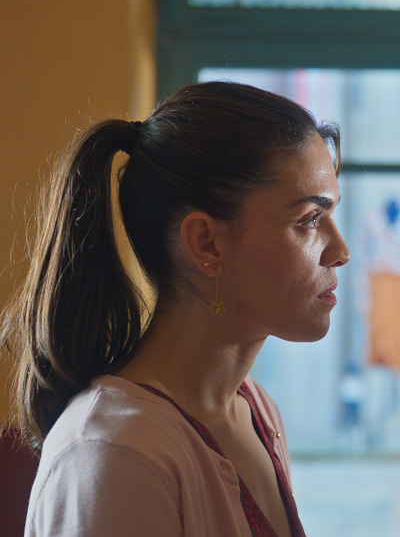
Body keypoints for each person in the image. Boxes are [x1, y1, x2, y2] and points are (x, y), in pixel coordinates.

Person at [2, 81, 350, 536]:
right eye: (309, 219)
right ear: (206, 243)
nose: (340, 251)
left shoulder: (255, 410)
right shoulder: (115, 454)